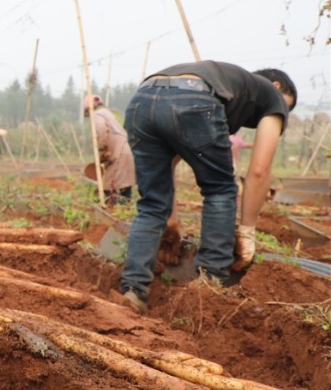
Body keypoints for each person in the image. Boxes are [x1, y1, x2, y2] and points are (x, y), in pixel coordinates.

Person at [118, 61, 296, 312]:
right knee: (220, 190)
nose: (281, 118)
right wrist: (246, 232)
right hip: (193, 97)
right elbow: (259, 170)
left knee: (151, 205)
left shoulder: (229, 87)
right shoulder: (273, 97)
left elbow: (168, 162)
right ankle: (210, 282)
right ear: (277, 87)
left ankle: (132, 291)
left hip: (142, 99)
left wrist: (170, 219)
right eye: (286, 110)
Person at [82, 94, 134, 205]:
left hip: (118, 154)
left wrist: (102, 148)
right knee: (125, 189)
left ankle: (117, 214)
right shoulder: (109, 114)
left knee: (110, 190)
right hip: (126, 151)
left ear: (89, 109)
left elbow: (101, 130)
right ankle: (126, 212)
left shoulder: (97, 115)